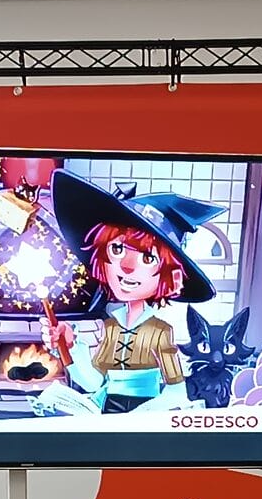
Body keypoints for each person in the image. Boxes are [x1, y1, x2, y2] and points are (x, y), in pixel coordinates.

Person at [40, 170, 226, 413]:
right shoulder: (111, 327)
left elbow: (176, 391)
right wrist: (71, 345)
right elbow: (93, 383)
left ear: (170, 276)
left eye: (147, 258)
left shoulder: (160, 331)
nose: (126, 267)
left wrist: (141, 416)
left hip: (143, 414)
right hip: (107, 410)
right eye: (117, 250)